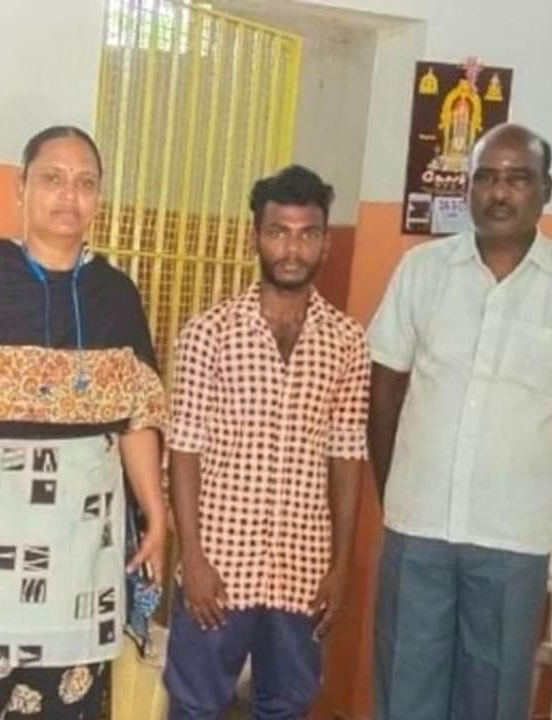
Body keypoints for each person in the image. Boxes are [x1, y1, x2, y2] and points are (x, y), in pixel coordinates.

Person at [368, 123, 552, 720]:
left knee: (493, 701)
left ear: (545, 190)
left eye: (518, 179)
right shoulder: (422, 271)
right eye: (486, 178)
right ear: (468, 189)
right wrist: (393, 490)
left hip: (512, 541)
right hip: (418, 530)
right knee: (404, 695)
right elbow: (385, 386)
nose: (500, 193)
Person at [0, 125, 167, 719]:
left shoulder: (116, 297)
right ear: (20, 188)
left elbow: (139, 417)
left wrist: (155, 513)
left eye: (85, 183)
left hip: (81, 558)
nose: (69, 195)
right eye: (52, 178)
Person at [164, 166, 370, 720]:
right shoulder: (208, 333)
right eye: (279, 232)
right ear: (255, 236)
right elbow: (184, 450)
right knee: (195, 705)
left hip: (304, 569)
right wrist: (193, 558)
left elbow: (347, 454)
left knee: (288, 705)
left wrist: (340, 566)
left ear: (325, 242)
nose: (292, 249)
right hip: (220, 565)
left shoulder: (348, 342)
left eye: (307, 234)